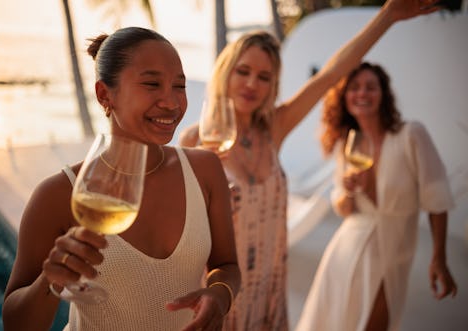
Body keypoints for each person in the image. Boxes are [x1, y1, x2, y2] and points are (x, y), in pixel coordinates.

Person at [179, 0, 442, 329]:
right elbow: (176, 221)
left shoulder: (275, 127)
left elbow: (332, 73)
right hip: (221, 286)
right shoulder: (197, 139)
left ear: (272, 85)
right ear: (225, 72)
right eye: (242, 71)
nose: (251, 84)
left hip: (270, 282)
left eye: (263, 77)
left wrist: (387, 16)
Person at [2, 27, 241, 331]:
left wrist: (220, 296)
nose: (171, 102)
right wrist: (51, 280)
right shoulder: (58, 194)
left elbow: (227, 265)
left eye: (179, 86)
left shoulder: (204, 170)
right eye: (152, 84)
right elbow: (14, 324)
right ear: (105, 95)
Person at [295, 62, 458, 331]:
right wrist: (347, 190)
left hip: (394, 247)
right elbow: (344, 208)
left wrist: (439, 257)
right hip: (347, 247)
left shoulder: (410, 135)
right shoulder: (348, 143)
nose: (362, 94)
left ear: (383, 94)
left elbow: (436, 197)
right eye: (355, 88)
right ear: (344, 97)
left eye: (371, 87)